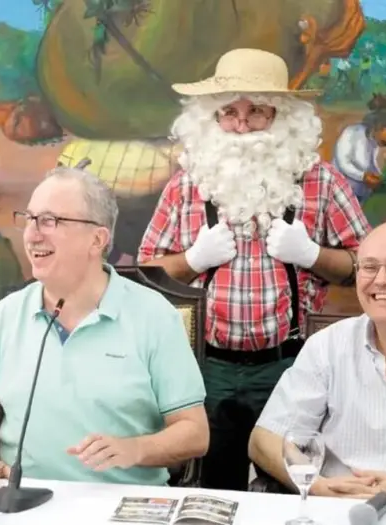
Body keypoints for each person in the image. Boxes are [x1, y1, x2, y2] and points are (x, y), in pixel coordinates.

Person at [137, 48, 372, 491]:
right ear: (212, 118)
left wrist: (312, 255)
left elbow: (369, 267)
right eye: (229, 112)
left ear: (283, 118)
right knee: (213, 487)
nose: (242, 125)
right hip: (205, 367)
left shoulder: (321, 181)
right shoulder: (187, 184)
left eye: (257, 112)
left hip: (290, 364)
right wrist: (192, 260)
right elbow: (146, 275)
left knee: (290, 486)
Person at [0, 167, 209, 491]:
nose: (32, 235)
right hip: (24, 502)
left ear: (97, 239)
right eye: (29, 219)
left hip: (122, 505)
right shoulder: (6, 315)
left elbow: (194, 433)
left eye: (50, 221)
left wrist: (135, 449)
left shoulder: (155, 315)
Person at [249, 220, 386, 506]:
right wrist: (318, 486)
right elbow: (265, 439)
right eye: (369, 267)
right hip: (339, 512)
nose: (381, 280)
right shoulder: (327, 346)